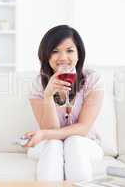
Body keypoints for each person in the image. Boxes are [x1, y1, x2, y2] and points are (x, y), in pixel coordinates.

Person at [24, 25, 104, 181]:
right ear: (46, 55)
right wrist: (47, 96)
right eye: (55, 51)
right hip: (47, 144)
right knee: (54, 144)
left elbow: (82, 129)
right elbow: (50, 129)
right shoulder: (37, 84)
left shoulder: (93, 80)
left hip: (85, 143)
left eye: (69, 50)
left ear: (79, 54)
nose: (62, 57)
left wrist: (45, 134)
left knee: (73, 141)